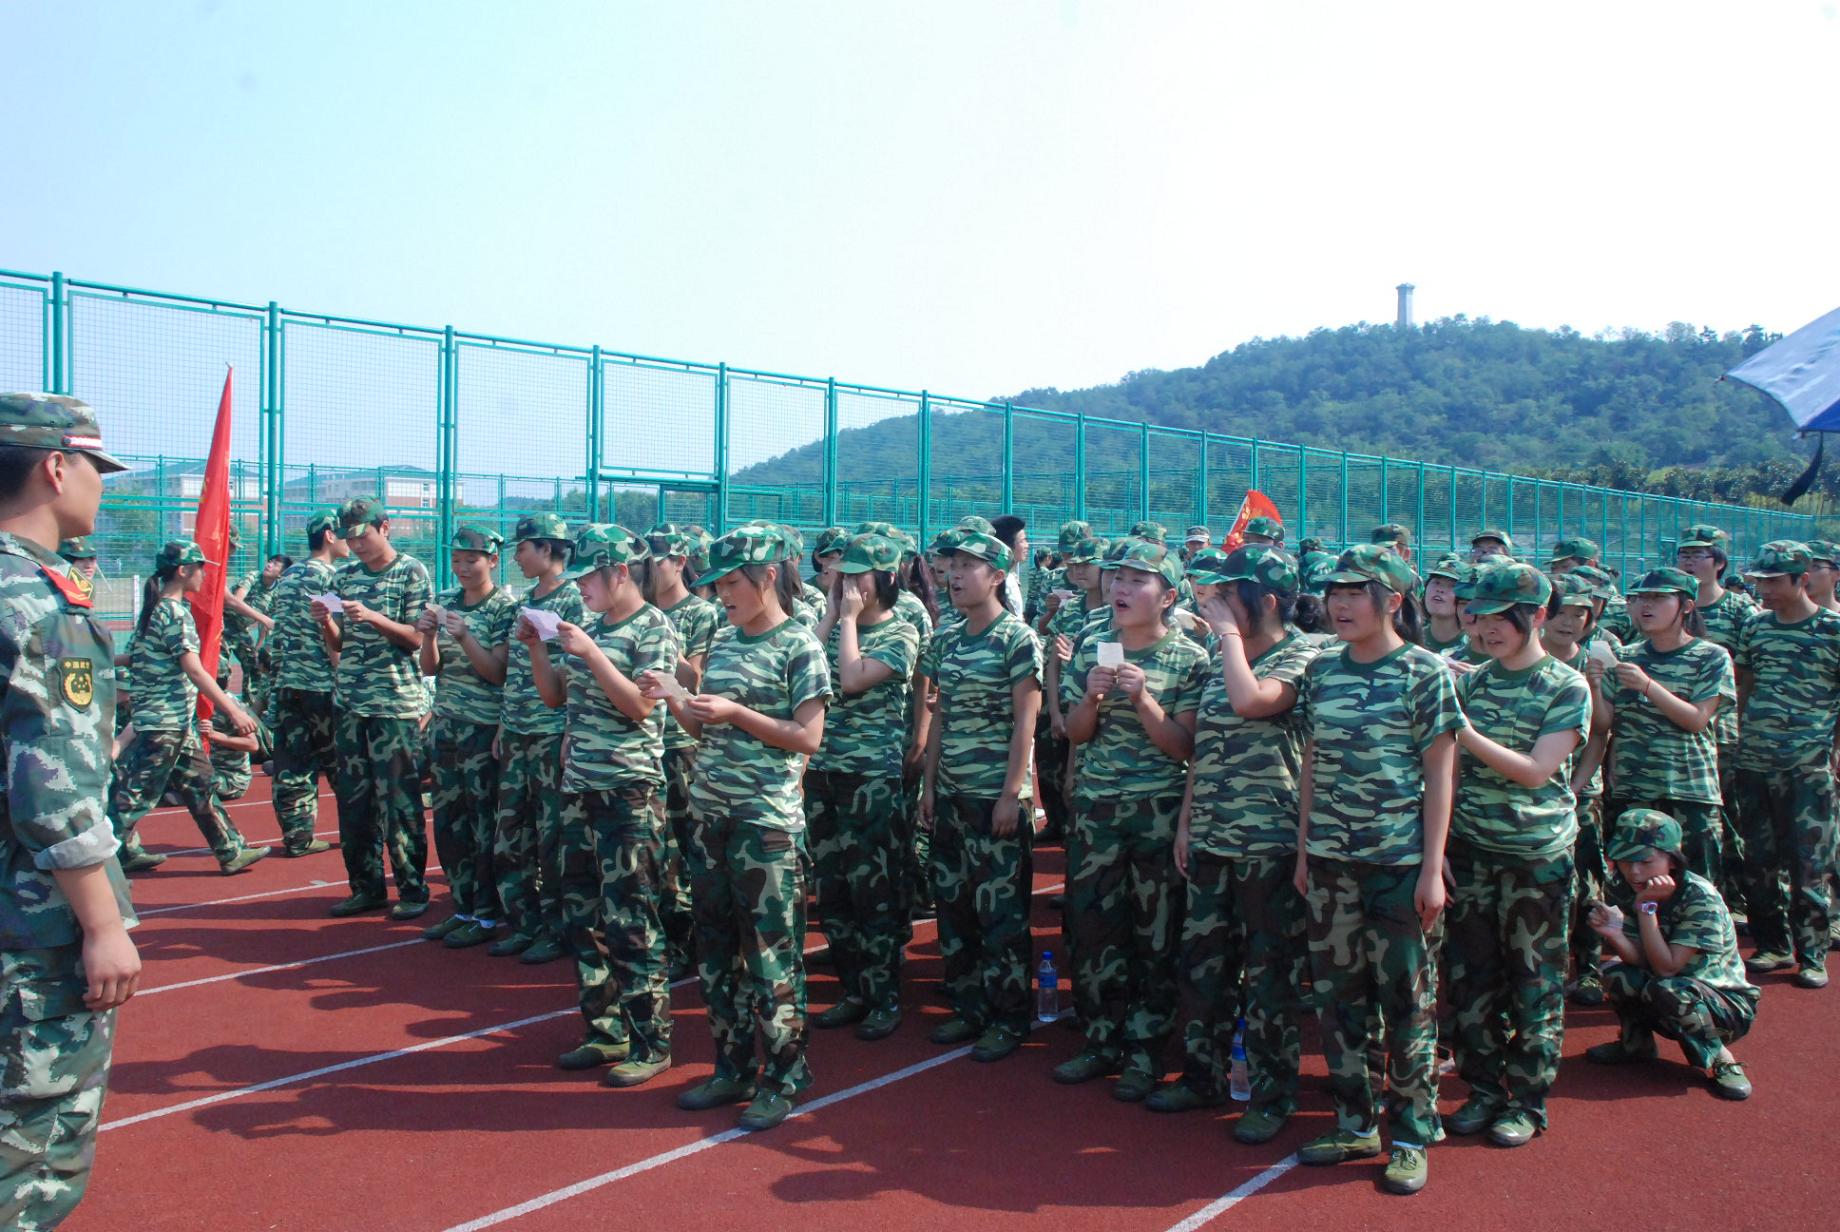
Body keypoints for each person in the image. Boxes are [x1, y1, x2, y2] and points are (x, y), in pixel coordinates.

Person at [0, 393, 141, 1231]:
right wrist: (101, 923)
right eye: (96, 469)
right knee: (32, 1159)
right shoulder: (41, 606)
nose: (101, 486)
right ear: (57, 467)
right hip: (31, 924)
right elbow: (51, 784)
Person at [647, 525, 828, 1132]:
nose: (721, 594)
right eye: (717, 584)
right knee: (717, 953)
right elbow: (706, 731)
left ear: (767, 576)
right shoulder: (723, 641)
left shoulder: (799, 645)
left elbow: (808, 737)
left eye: (731, 583)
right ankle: (731, 1066)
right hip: (711, 818)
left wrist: (736, 711)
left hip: (765, 825)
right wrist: (677, 699)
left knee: (771, 957)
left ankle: (785, 1074)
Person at [1293, 544, 1460, 1196]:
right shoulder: (1321, 671)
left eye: (1354, 593)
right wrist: (1305, 851)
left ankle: (1412, 1133)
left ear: (1392, 601)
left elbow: (1440, 773)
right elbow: (1311, 763)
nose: (1339, 604)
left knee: (1408, 1002)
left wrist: (1432, 869)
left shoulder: (1424, 671)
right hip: (1331, 862)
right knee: (1339, 1000)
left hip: (1398, 863)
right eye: (1334, 593)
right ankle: (1355, 1123)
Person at [1159, 545, 1317, 1144]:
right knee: (1203, 966)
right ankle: (1201, 1075)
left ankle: (1273, 1094)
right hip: (1212, 836)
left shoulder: (1303, 655)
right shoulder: (1219, 656)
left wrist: (1225, 636)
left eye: (1228, 594)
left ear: (1266, 601)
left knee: (1270, 976)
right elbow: (1204, 746)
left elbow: (1253, 702)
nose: (1215, 603)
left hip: (1269, 842)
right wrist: (1186, 821)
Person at [1443, 563, 1590, 1147]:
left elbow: (1535, 771)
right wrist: (1442, 843)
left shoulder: (1566, 685)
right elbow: (1450, 772)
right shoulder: (1474, 682)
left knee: (1535, 980)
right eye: (1479, 616)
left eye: (1501, 617)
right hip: (1472, 850)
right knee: (1471, 978)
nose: (1486, 628)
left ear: (1535, 616)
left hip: (1535, 857)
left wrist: (1462, 729)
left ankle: (1527, 1101)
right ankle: (1482, 1089)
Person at [1057, 538, 1208, 1099]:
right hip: (1097, 808)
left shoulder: (1189, 658)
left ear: (1167, 596)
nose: (1120, 588)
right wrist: (1090, 700)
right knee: (1094, 928)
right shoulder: (1093, 647)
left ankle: (1145, 1050)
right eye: (1118, 578)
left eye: (1137, 581)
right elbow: (1075, 734)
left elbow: (1183, 747)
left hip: (1157, 810)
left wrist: (1144, 700)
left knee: (1155, 933)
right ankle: (1101, 1040)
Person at [529, 525, 678, 1086]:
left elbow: (641, 706)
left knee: (631, 918)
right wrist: (536, 647)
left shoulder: (653, 627)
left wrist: (592, 654)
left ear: (619, 571)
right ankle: (606, 1029)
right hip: (581, 788)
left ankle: (651, 1040)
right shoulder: (591, 628)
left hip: (629, 791)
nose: (580, 587)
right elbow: (554, 697)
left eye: (588, 576)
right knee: (583, 915)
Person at [920, 528, 1043, 1063]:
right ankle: (969, 1007)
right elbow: (940, 716)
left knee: (1001, 915)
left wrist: (1011, 794)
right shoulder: (947, 638)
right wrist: (929, 787)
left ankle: (1008, 1017)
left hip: (994, 796)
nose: (954, 576)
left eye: (967, 567)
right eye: (951, 566)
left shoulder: (1017, 639)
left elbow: (1026, 722)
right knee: (955, 911)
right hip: (951, 795)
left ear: (997, 576)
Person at [808, 533, 921, 1041]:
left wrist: (849, 620)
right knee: (832, 890)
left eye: (859, 576)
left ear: (887, 579)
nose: (849, 584)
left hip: (870, 776)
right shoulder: (836, 625)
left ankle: (882, 996)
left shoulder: (901, 631)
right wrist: (833, 615)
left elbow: (852, 679)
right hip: (823, 771)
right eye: (844, 575)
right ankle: (853, 990)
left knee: (872, 890)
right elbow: (801, 664)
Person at [109, 541, 266, 875]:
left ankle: (230, 850)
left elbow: (134, 656)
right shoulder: (174, 612)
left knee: (201, 785)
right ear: (183, 571)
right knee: (135, 797)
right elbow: (194, 670)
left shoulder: (154, 610)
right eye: (200, 568)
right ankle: (99, 858)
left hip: (174, 721)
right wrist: (234, 711)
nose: (204, 575)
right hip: (164, 722)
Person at [314, 497, 433, 918]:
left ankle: (413, 890)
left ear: (385, 527)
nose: (356, 545)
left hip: (394, 706)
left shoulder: (411, 571)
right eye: (349, 539)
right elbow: (340, 643)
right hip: (350, 703)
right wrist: (325, 621)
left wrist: (372, 617)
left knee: (399, 802)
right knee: (354, 802)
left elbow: (416, 639)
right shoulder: (344, 575)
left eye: (362, 536)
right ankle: (366, 887)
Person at [1585, 809, 1756, 1100]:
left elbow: (1667, 968)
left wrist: (1646, 909)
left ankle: (1721, 1058)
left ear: (1673, 859)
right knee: (1618, 975)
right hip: (1668, 987)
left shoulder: (1700, 896)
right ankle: (1636, 1045)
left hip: (1723, 1004)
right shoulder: (1624, 886)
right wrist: (1615, 935)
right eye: (1625, 860)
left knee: (1669, 988)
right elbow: (1642, 959)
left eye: (1645, 861)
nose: (1634, 871)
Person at [1732, 541, 1840, 987]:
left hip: (1808, 766)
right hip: (1755, 762)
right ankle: (1772, 943)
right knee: (1758, 860)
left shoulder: (1833, 630)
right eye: (1760, 581)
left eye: (1775, 581)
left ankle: (1811, 953)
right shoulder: (1755, 627)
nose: (1765, 590)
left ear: (1803, 579)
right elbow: (1744, 687)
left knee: (1810, 863)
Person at [1585, 568, 1732, 888]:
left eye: (1658, 598)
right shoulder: (1624, 656)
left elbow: (1697, 719)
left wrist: (1648, 686)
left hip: (1688, 791)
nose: (1645, 606)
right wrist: (1594, 686)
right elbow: (1602, 725)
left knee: (1694, 888)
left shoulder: (1710, 656)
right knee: (1631, 888)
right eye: (1639, 599)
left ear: (1687, 606)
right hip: (1632, 790)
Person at [416, 525, 517, 947]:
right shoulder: (445, 600)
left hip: (482, 727)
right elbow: (429, 668)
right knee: (449, 823)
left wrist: (464, 636)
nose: (462, 568)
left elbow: (497, 673)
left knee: (483, 825)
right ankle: (462, 907)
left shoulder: (504, 609)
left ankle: (488, 915)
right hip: (446, 725)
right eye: (456, 560)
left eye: (471, 560)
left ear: (492, 560)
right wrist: (428, 635)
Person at [489, 513, 583, 960]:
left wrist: (570, 731)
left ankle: (556, 929)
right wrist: (504, 725)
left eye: (523, 548)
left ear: (547, 549)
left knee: (552, 838)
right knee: (511, 833)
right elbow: (514, 670)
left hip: (551, 733)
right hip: (517, 731)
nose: (517, 557)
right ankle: (523, 923)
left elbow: (578, 673)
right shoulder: (524, 601)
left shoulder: (575, 600)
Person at [644, 523, 720, 980]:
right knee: (655, 851)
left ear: (679, 562)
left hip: (681, 743)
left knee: (685, 847)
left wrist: (664, 642)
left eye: (657, 563)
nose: (650, 572)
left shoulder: (700, 613)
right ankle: (666, 937)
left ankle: (690, 941)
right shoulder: (641, 610)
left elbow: (696, 680)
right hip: (645, 742)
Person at [1539, 574, 1614, 1004]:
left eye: (1579, 614)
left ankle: (1587, 969)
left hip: (1579, 793)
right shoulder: (1525, 657)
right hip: (1536, 792)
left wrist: (1576, 787)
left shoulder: (1594, 659)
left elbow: (1601, 731)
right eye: (1561, 612)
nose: (1569, 622)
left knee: (1587, 884)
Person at [1674, 524, 1757, 900]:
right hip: (1675, 732)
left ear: (1719, 563)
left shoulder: (1740, 609)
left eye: (1698, 555)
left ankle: (1734, 895)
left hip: (1722, 730)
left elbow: (1750, 673)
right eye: (1684, 554)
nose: (1689, 561)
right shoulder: (1669, 607)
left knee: (1728, 815)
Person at [265, 510, 346, 858]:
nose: (350, 540)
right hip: (323, 687)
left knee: (293, 764)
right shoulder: (331, 578)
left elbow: (278, 634)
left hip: (288, 684)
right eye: (344, 533)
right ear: (329, 535)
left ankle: (298, 837)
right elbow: (333, 639)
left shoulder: (288, 576)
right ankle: (360, 832)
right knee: (343, 764)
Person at [1420, 554, 1471, 656]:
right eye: (1436, 582)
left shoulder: (1474, 647)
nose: (1440, 590)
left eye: (1452, 585)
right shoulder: (1410, 640)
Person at [1805, 541, 1840, 613]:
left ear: (1837, 574)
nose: (1805, 574)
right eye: (1801, 567)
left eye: (1814, 567)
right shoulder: (1784, 615)